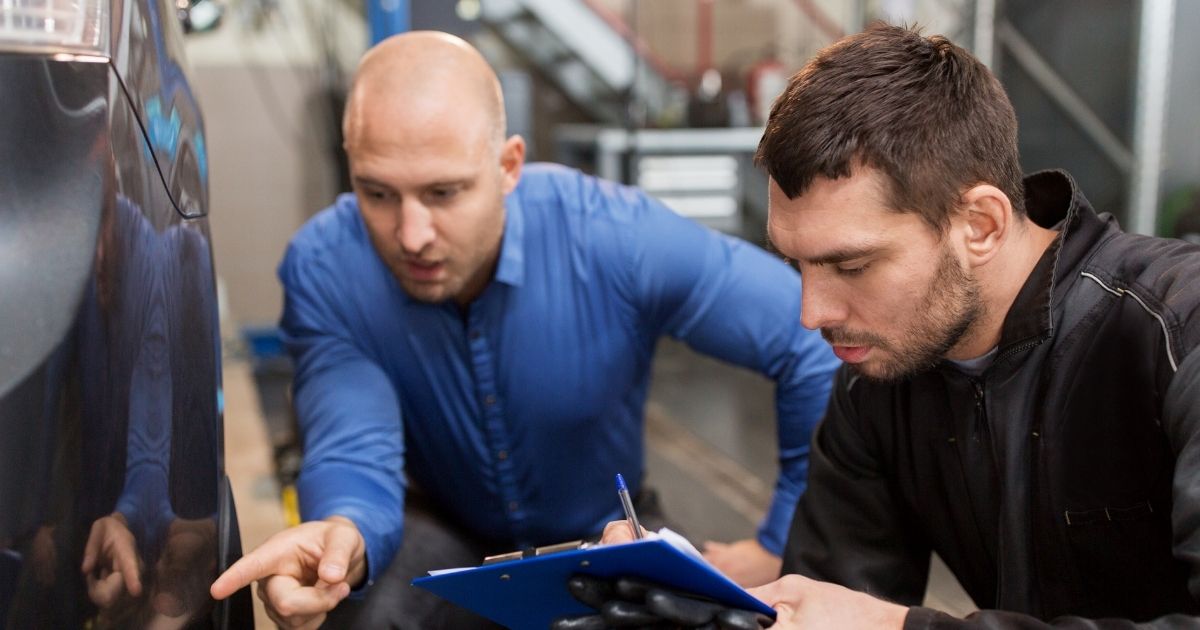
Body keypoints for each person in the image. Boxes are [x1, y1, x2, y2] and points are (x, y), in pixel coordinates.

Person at [208, 31, 840, 628]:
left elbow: (806, 338)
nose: (412, 235)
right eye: (377, 194)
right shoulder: (327, 267)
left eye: (444, 192)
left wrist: (779, 540)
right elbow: (352, 441)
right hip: (442, 530)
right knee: (364, 607)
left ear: (509, 165)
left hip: (608, 528)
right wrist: (342, 531)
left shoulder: (616, 240)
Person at [596, 22, 1200, 629]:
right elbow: (831, 605)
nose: (812, 314)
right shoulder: (879, 377)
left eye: (851, 265)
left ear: (981, 225)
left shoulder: (1179, 331)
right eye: (796, 263)